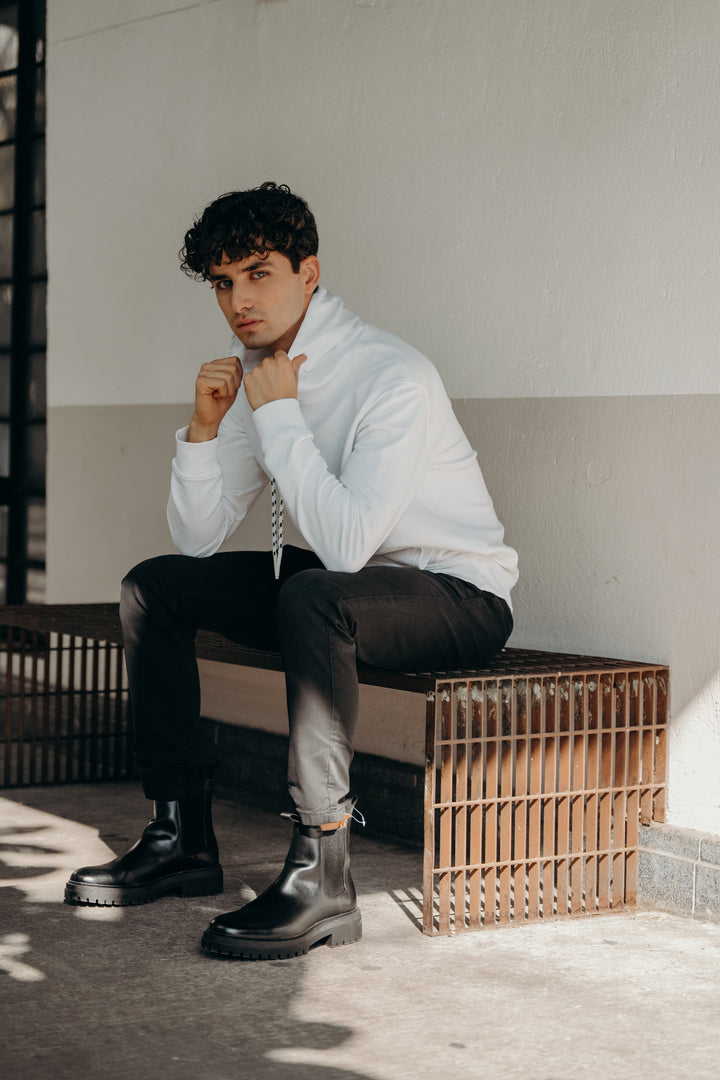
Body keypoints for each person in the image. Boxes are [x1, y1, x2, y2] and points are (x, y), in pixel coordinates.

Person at [65, 181, 518, 960]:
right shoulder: (257, 371)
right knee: (156, 584)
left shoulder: (391, 375)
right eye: (223, 282)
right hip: (347, 586)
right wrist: (204, 433)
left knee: (313, 594)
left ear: (309, 272)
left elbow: (344, 549)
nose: (240, 299)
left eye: (259, 272)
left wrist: (278, 414)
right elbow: (199, 538)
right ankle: (181, 835)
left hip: (455, 594)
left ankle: (323, 870)